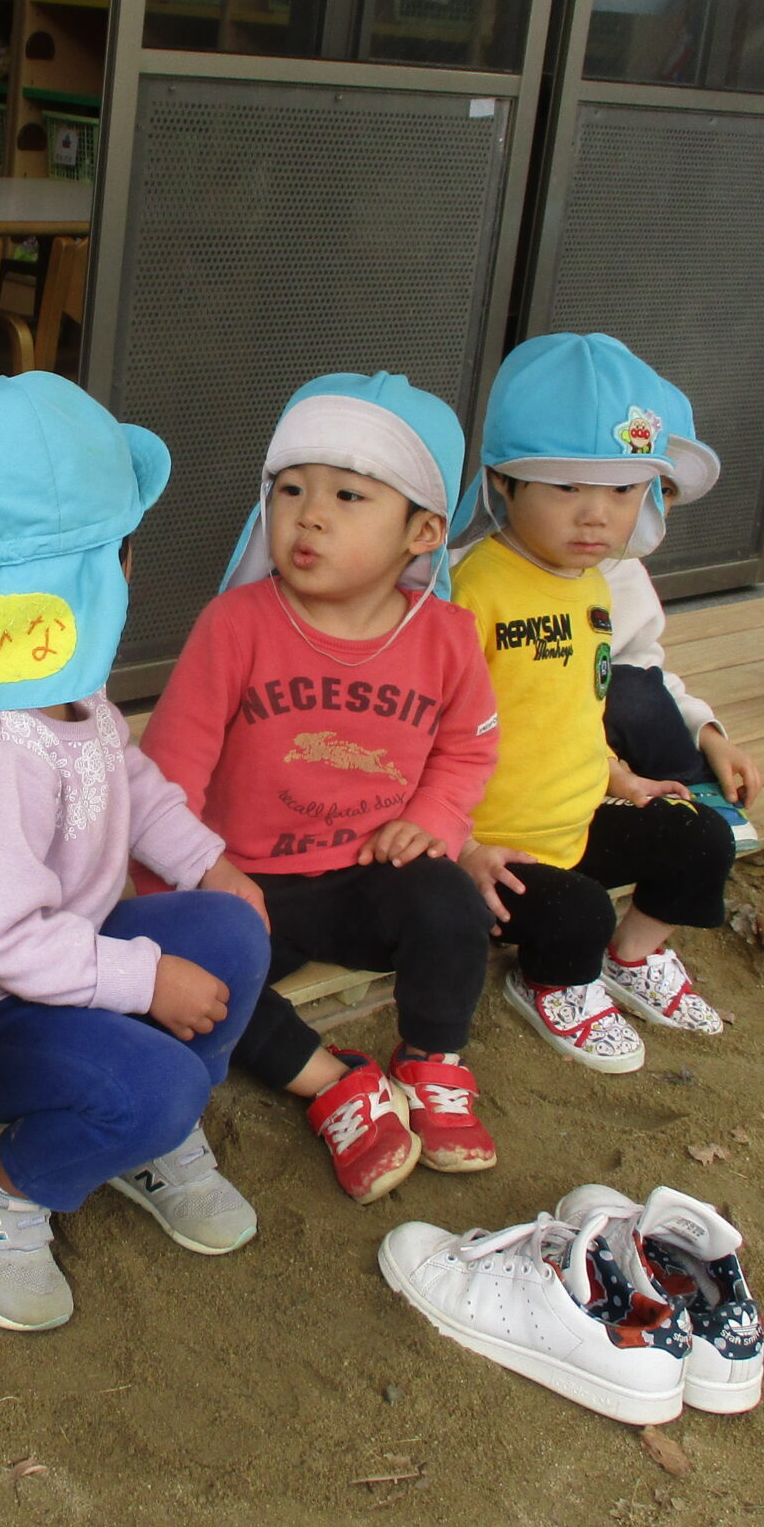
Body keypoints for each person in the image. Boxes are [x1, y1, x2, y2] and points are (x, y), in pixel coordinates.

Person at [0, 373, 273, 1330]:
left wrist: (206, 863)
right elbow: (1, 941)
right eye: (121, 551)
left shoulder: (61, 679)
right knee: (158, 1082)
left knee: (232, 932)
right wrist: (146, 980)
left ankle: (152, 1132)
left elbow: (129, 776)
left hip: (77, 953)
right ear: (87, 576)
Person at [141, 373, 502, 1204]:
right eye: (290, 490)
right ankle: (331, 1081)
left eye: (348, 495)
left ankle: (432, 1061)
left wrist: (434, 817)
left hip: (366, 873)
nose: (309, 516)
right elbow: (169, 774)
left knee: (451, 902)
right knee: (192, 978)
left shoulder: (446, 636)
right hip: (244, 882)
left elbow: (469, 747)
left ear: (423, 532)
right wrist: (178, 898)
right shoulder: (235, 625)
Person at [449, 333, 739, 1074]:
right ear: (502, 482)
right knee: (573, 908)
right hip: (494, 850)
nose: (596, 516)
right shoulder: (471, 591)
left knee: (702, 835)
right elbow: (424, 733)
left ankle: (630, 956)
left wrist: (624, 779)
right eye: (567, 487)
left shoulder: (597, 586)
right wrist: (464, 846)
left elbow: (574, 708)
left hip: (575, 821)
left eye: (622, 490)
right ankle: (552, 983)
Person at [597, 374, 763, 851]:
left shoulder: (625, 572)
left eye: (665, 490)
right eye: (627, 483)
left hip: (599, 743)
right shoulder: (480, 571)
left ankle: (691, 790)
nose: (648, 505)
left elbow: (644, 671)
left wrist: (706, 734)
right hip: (531, 744)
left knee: (629, 685)